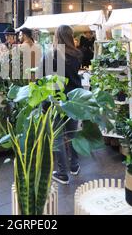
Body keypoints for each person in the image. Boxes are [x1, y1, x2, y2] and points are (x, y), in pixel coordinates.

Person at [44, 25, 83, 185]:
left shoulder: (52, 55)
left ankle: (62, 173)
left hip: (57, 99)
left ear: (57, 36)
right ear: (70, 36)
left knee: (58, 135)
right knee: (72, 133)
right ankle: (74, 165)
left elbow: (45, 79)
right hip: (74, 98)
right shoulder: (77, 54)